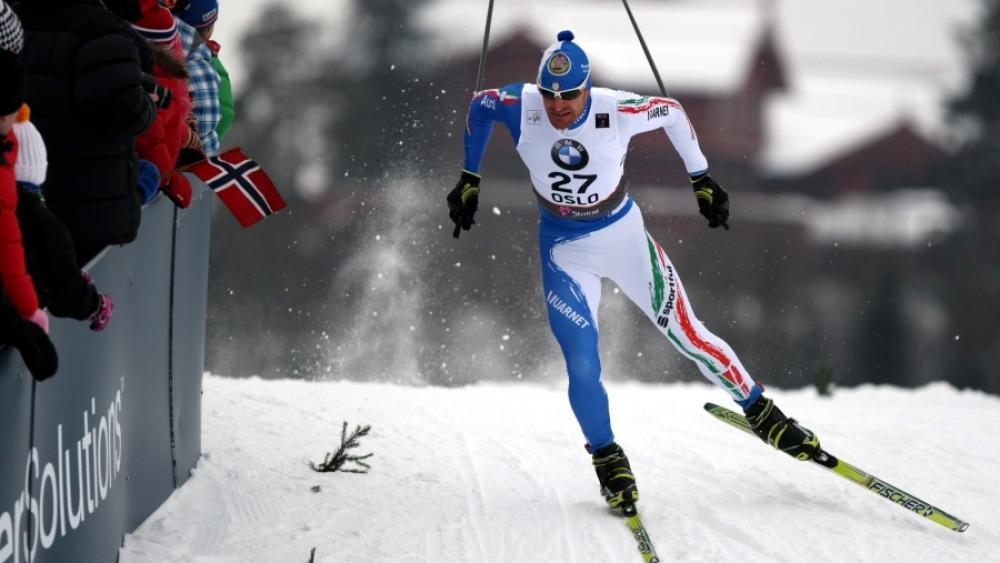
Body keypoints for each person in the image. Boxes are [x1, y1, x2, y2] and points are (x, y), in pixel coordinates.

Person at [448, 30, 820, 512]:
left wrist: (702, 178)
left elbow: (673, 112)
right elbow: (480, 106)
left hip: (623, 238)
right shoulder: (521, 105)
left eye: (569, 95)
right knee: (582, 363)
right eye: (550, 95)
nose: (559, 106)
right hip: (564, 249)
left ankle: (762, 413)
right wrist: (470, 177)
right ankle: (608, 460)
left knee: (688, 334)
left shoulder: (613, 107)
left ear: (587, 88)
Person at [13, 0, 158, 265]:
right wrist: (149, 103)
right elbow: (120, 108)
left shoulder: (12, 19)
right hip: (87, 218)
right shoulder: (101, 29)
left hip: (20, 209)